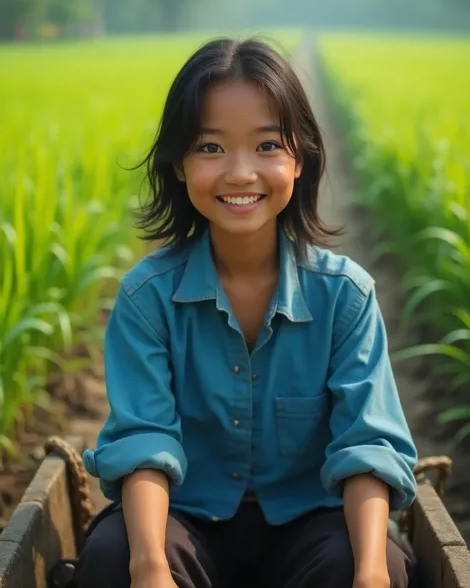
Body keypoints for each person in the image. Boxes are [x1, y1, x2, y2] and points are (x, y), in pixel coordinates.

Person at [72, 37, 418, 588]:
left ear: (299, 160)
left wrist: (372, 573)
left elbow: (366, 445)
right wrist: (150, 567)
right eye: (210, 148)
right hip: (184, 517)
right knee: (115, 557)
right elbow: (144, 440)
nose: (239, 173)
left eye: (267, 146)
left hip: (310, 521)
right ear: (179, 165)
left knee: (369, 564)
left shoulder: (345, 295)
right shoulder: (147, 297)